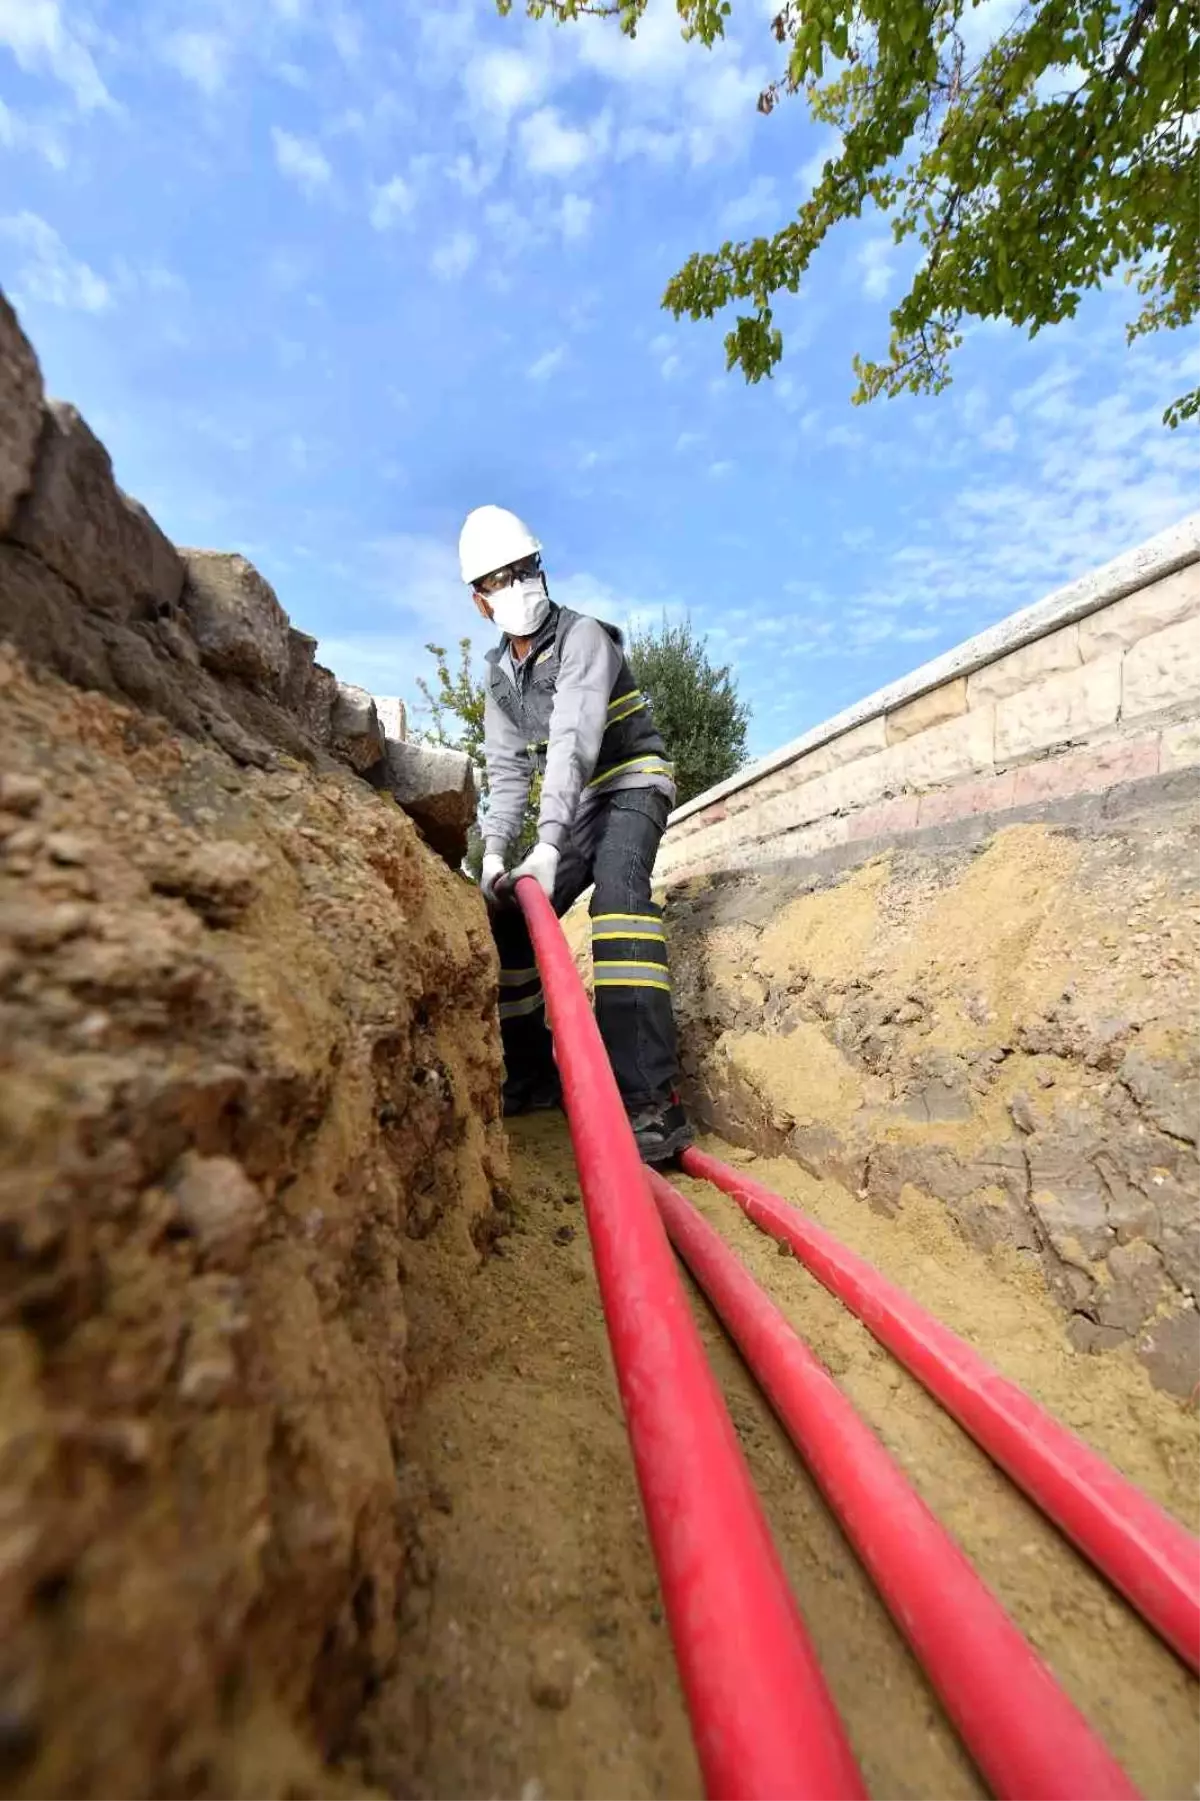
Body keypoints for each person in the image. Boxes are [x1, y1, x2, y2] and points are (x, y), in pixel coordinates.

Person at [459, 503, 692, 1167]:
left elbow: (572, 743)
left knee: (619, 900)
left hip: (633, 781)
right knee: (506, 917)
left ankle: (651, 1101)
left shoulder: (586, 636)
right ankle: (532, 1075)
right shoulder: (500, 680)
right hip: (586, 800)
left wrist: (550, 840)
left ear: (542, 566)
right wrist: (498, 852)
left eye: (525, 569)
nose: (518, 585)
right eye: (500, 579)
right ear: (480, 603)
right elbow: (505, 777)